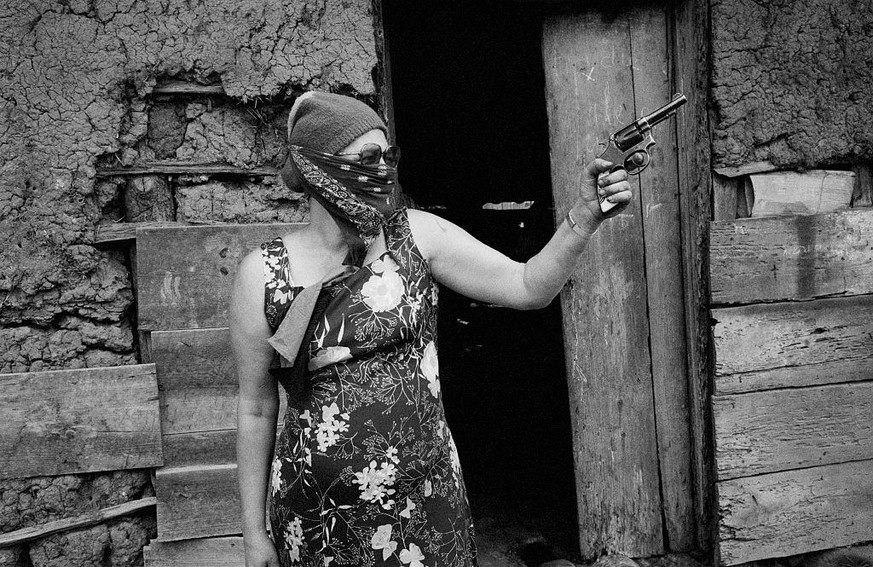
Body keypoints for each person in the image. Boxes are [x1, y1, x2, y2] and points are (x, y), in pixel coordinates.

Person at [231, 91, 631, 567]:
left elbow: (528, 286)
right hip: (317, 516)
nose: (383, 171)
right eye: (367, 158)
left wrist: (583, 220)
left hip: (427, 501)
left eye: (388, 156)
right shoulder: (264, 274)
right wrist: (255, 533)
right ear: (317, 167)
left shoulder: (417, 237)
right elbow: (256, 409)